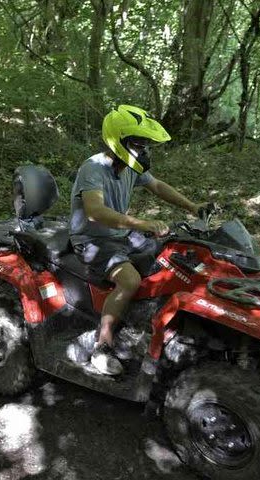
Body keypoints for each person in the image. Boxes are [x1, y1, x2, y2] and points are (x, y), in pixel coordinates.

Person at [70, 104, 206, 375]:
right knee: (129, 280)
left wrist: (193, 207)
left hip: (120, 234)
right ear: (117, 141)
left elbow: (157, 186)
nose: (143, 150)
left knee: (171, 259)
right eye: (137, 143)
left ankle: (144, 324)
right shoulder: (93, 168)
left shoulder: (130, 167)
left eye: (145, 144)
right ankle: (102, 344)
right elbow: (95, 212)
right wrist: (143, 223)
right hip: (91, 238)